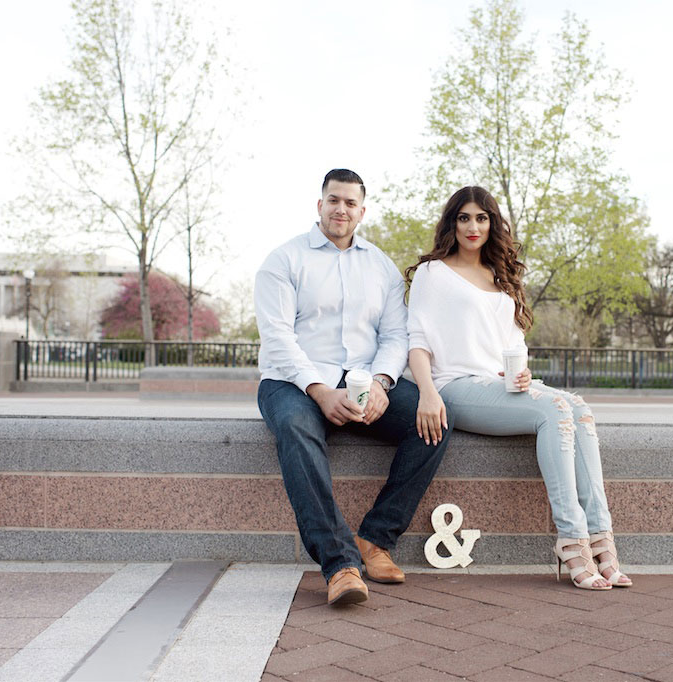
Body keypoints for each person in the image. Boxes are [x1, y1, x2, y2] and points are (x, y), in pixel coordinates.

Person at [405, 185, 632, 591]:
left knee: (578, 407)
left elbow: (514, 346)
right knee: (556, 411)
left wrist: (522, 373)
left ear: (493, 223)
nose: (473, 226)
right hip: (455, 386)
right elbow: (417, 341)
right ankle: (571, 540)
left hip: (501, 385)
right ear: (451, 223)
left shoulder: (499, 275)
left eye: (482, 217)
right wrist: (427, 392)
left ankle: (601, 539)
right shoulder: (433, 273)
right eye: (464, 218)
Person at [255, 169, 453, 606]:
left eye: (350, 203)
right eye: (333, 200)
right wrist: (321, 391)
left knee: (435, 420)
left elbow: (396, 335)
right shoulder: (283, 260)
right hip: (292, 380)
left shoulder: (379, 266)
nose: (341, 209)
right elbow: (278, 338)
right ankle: (339, 564)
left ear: (362, 211)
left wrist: (382, 383)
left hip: (363, 378)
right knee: (295, 428)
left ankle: (375, 538)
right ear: (319, 205)